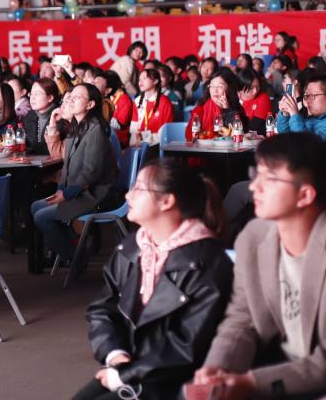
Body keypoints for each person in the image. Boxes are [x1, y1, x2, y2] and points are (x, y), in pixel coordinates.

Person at [75, 159, 233, 400]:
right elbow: (103, 309)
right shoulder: (132, 248)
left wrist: (125, 375)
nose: (128, 195)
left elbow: (188, 346)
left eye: (139, 189)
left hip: (179, 380)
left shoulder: (206, 263)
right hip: (135, 367)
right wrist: (115, 355)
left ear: (167, 201)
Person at [193, 133, 326, 400]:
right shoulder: (254, 238)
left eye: (269, 178)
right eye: (256, 174)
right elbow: (242, 319)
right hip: (280, 366)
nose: (254, 187)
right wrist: (218, 369)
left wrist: (252, 383)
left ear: (305, 195)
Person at [31, 83, 115, 267]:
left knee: (41, 216)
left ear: (90, 104)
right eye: (70, 97)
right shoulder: (76, 128)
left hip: (94, 195)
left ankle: (75, 257)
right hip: (77, 191)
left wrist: (66, 194)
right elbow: (67, 167)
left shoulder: (96, 131)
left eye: (77, 97)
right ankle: (77, 244)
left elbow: (90, 173)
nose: (70, 101)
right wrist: (61, 190)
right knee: (36, 206)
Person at [185, 71, 246, 140]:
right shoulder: (200, 109)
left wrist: (227, 110)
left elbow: (240, 134)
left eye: (220, 86)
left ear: (229, 88)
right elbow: (189, 136)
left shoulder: (236, 107)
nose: (215, 90)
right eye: (212, 86)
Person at [276, 74, 326, 140]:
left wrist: (294, 114)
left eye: (312, 95)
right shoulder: (313, 118)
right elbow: (285, 136)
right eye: (306, 96)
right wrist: (285, 114)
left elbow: (307, 143)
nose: (307, 101)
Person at [130, 68, 174, 146]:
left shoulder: (165, 102)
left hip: (157, 143)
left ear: (155, 81)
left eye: (144, 78)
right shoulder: (137, 100)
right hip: (139, 141)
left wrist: (146, 139)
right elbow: (134, 126)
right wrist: (137, 137)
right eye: (139, 79)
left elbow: (165, 131)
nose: (140, 82)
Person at [22, 77, 61, 155]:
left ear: (50, 98)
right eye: (31, 94)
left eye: (37, 94)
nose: (32, 98)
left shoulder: (59, 117)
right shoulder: (30, 115)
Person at [236, 68, 273, 135]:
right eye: (251, 88)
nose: (255, 91)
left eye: (257, 87)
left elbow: (253, 127)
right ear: (240, 88)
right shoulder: (234, 98)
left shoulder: (263, 98)